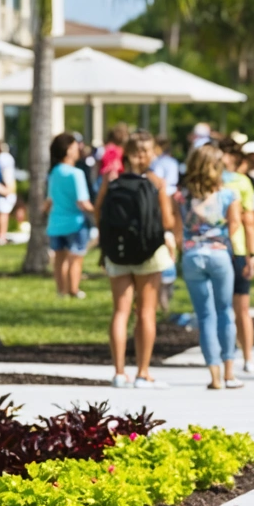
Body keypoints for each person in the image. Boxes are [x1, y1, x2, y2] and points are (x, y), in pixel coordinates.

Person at [95, 131, 175, 389]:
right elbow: (167, 221)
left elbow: (98, 213)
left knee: (120, 311)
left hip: (117, 251)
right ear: (149, 153)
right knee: (146, 312)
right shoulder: (156, 182)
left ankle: (119, 373)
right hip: (149, 253)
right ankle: (143, 373)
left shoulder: (112, 179)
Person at [172, 144, 243, 389]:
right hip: (219, 254)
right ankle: (230, 373)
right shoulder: (228, 194)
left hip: (192, 255)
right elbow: (235, 224)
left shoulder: (180, 195)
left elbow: (177, 229)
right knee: (225, 312)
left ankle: (213, 376)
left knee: (204, 316)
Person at [219, 137, 254, 374]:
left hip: (233, 250)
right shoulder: (241, 182)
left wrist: (251, 253)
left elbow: (250, 221)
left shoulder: (238, 182)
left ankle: (243, 357)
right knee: (234, 308)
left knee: (237, 307)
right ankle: (240, 358)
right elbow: (249, 221)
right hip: (231, 250)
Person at [46, 132, 95, 299]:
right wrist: (98, 211)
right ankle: (74, 289)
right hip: (75, 223)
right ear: (68, 150)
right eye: (75, 147)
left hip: (55, 222)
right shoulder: (76, 174)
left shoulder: (53, 172)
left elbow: (49, 200)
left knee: (59, 258)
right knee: (76, 258)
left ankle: (61, 291)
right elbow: (83, 203)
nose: (79, 149)